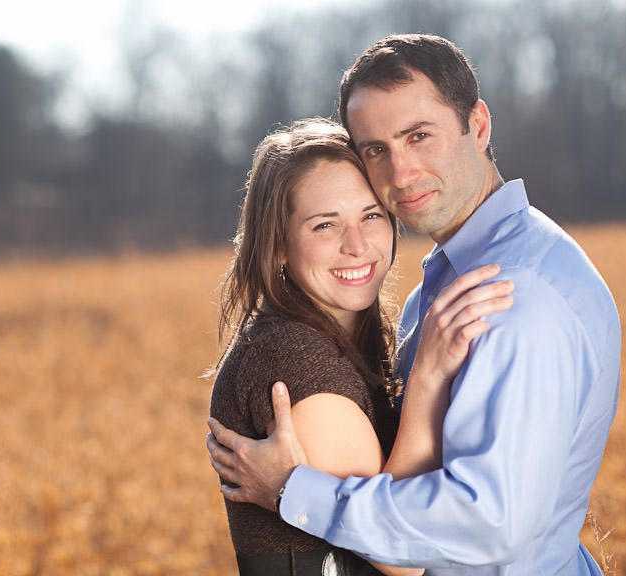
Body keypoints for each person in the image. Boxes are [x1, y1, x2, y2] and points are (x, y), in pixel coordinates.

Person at [207, 34, 621, 575]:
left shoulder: (509, 298)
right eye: (376, 149)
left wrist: (294, 489)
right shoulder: (455, 280)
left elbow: (489, 522)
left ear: (478, 125)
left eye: (418, 136)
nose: (399, 174)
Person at [209, 117, 514, 576]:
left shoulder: (337, 340)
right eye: (324, 226)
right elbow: (403, 557)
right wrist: (429, 377)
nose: (357, 245)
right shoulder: (293, 364)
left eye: (370, 215)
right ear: (278, 246)